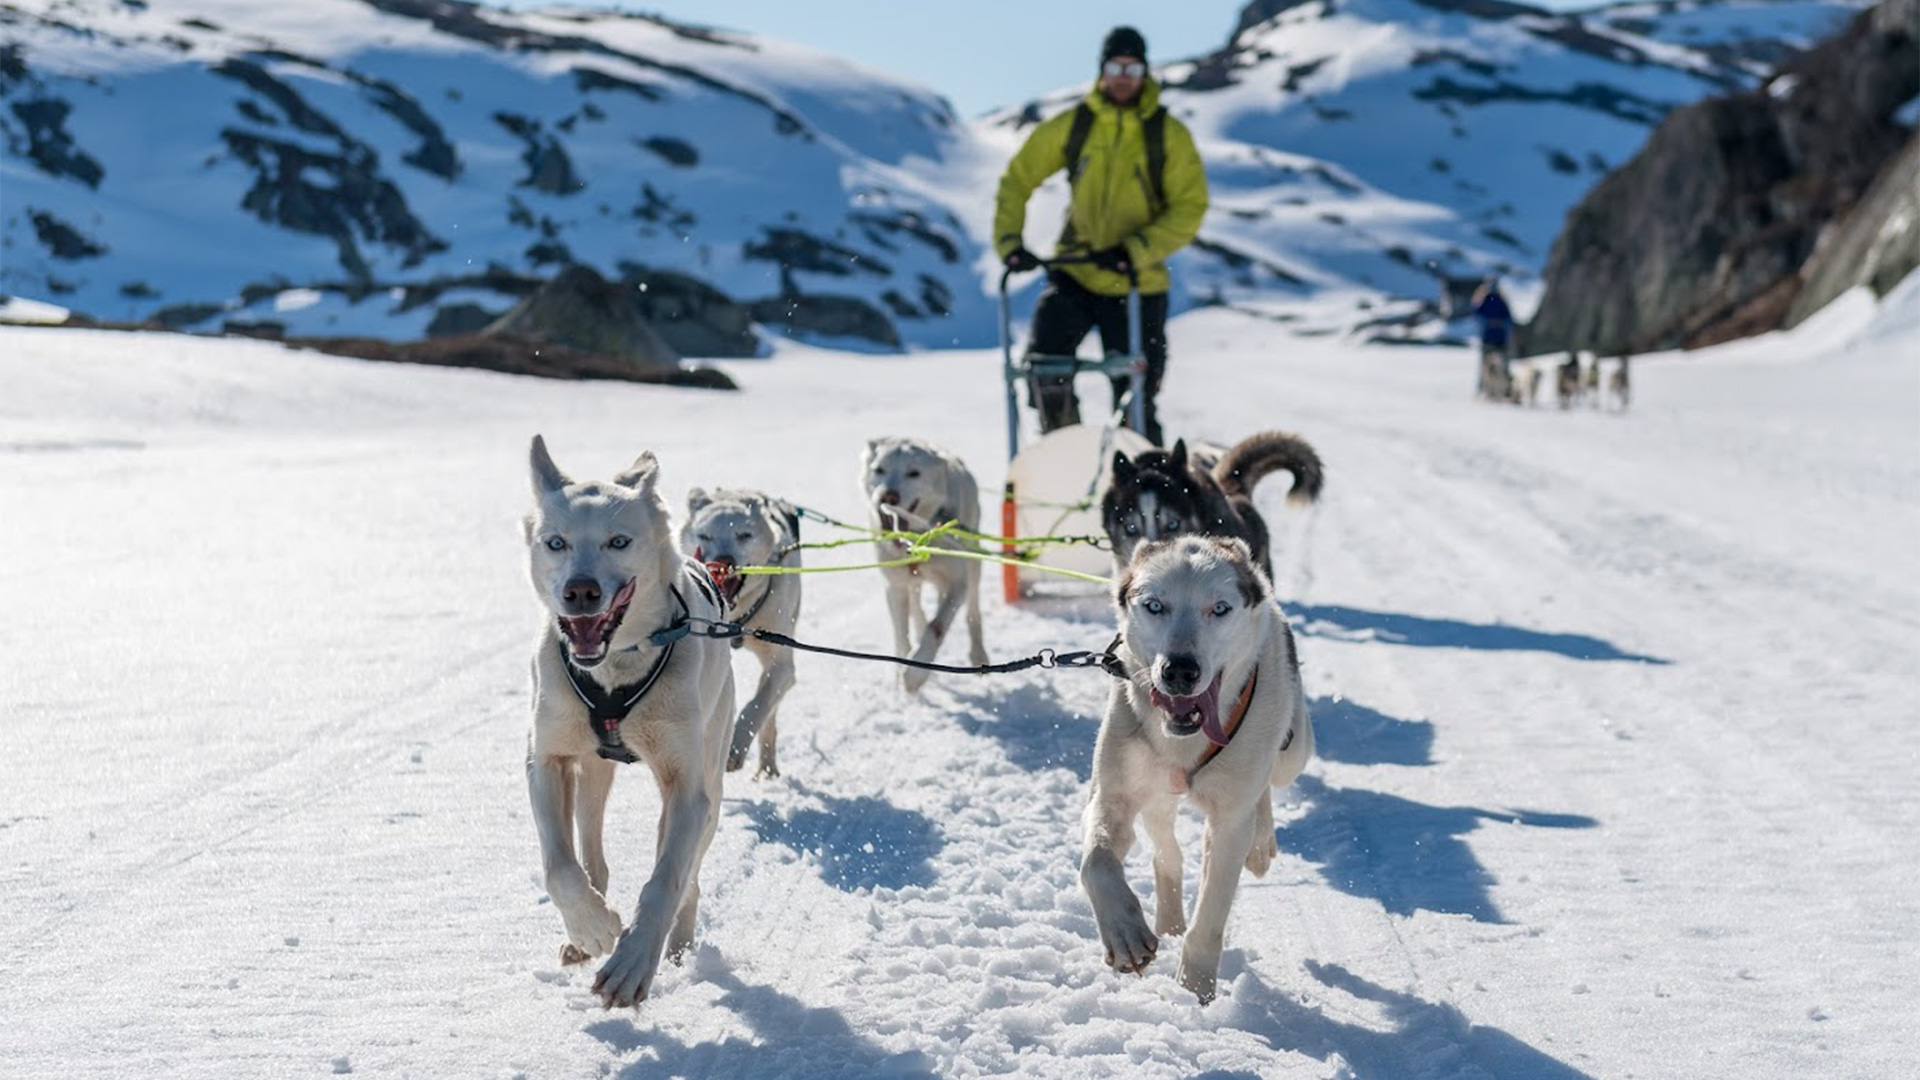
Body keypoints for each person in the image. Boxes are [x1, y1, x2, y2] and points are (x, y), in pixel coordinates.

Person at [993, 25, 1208, 446]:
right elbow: (1018, 178)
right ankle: (1064, 453)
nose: (1123, 75)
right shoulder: (1076, 126)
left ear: (1145, 71)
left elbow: (1190, 206)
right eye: (1115, 66)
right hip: (1077, 272)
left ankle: (1149, 487)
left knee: (1137, 394)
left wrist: (1136, 249)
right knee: (1045, 369)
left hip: (1137, 282)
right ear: (1101, 70)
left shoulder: (1166, 135)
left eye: (1132, 66)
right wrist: (1010, 243)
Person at [1470, 277, 1513, 398]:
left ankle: (1505, 390)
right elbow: (1476, 314)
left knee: (1503, 366)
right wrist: (1488, 322)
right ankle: (1484, 389)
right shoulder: (1483, 300)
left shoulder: (1501, 301)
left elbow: (1509, 318)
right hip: (1488, 338)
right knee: (1486, 366)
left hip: (1500, 339)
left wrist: (1500, 323)